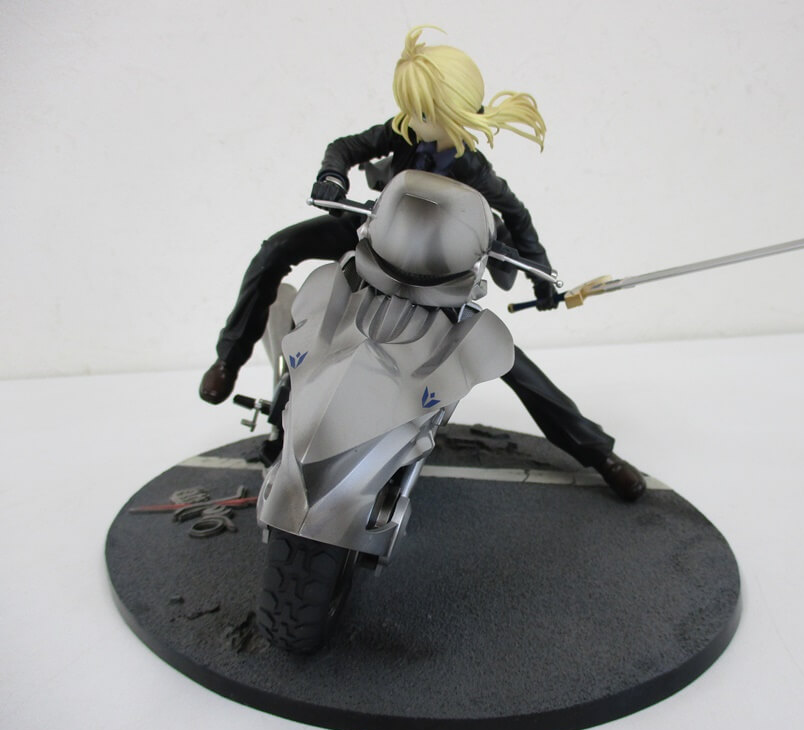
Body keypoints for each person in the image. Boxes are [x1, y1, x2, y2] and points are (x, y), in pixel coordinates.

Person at [200, 26, 645, 501]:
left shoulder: (473, 167)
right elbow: (346, 147)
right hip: (374, 242)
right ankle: (231, 359)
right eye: (411, 109)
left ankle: (599, 453)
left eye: (424, 112)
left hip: (436, 275)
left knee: (508, 358)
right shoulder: (402, 132)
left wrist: (543, 278)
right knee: (278, 253)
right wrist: (332, 176)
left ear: (452, 112)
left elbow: (516, 214)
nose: (412, 119)